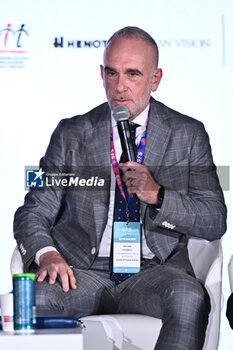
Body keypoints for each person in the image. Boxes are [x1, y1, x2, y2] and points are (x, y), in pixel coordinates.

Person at [14, 26, 227, 350]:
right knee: (39, 293)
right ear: (101, 73)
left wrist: (159, 195)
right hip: (81, 272)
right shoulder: (70, 133)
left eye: (132, 74)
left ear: (155, 79)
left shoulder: (188, 134)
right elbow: (33, 210)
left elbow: (214, 218)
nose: (119, 86)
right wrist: (48, 254)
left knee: (187, 295)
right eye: (111, 73)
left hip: (154, 273)